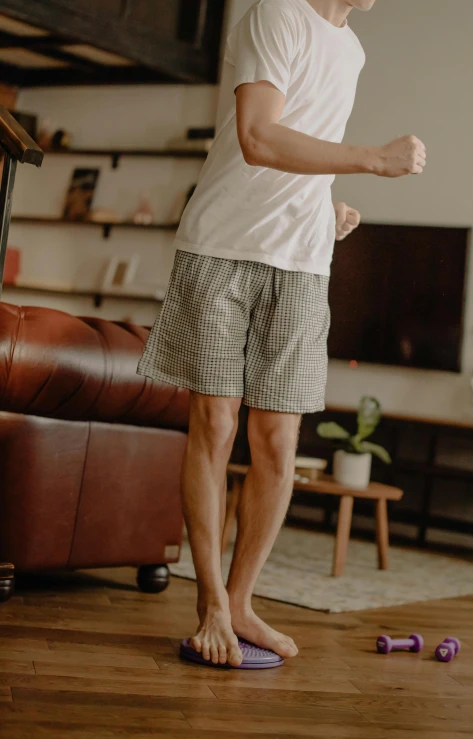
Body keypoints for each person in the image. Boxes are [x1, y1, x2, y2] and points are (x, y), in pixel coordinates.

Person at [137, 0, 426, 668]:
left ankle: (240, 602)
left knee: (279, 439)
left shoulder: (351, 51)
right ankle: (209, 601)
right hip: (222, 251)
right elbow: (259, 137)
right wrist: (371, 161)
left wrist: (321, 207)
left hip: (301, 262)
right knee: (215, 423)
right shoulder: (278, 14)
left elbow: (302, 144)